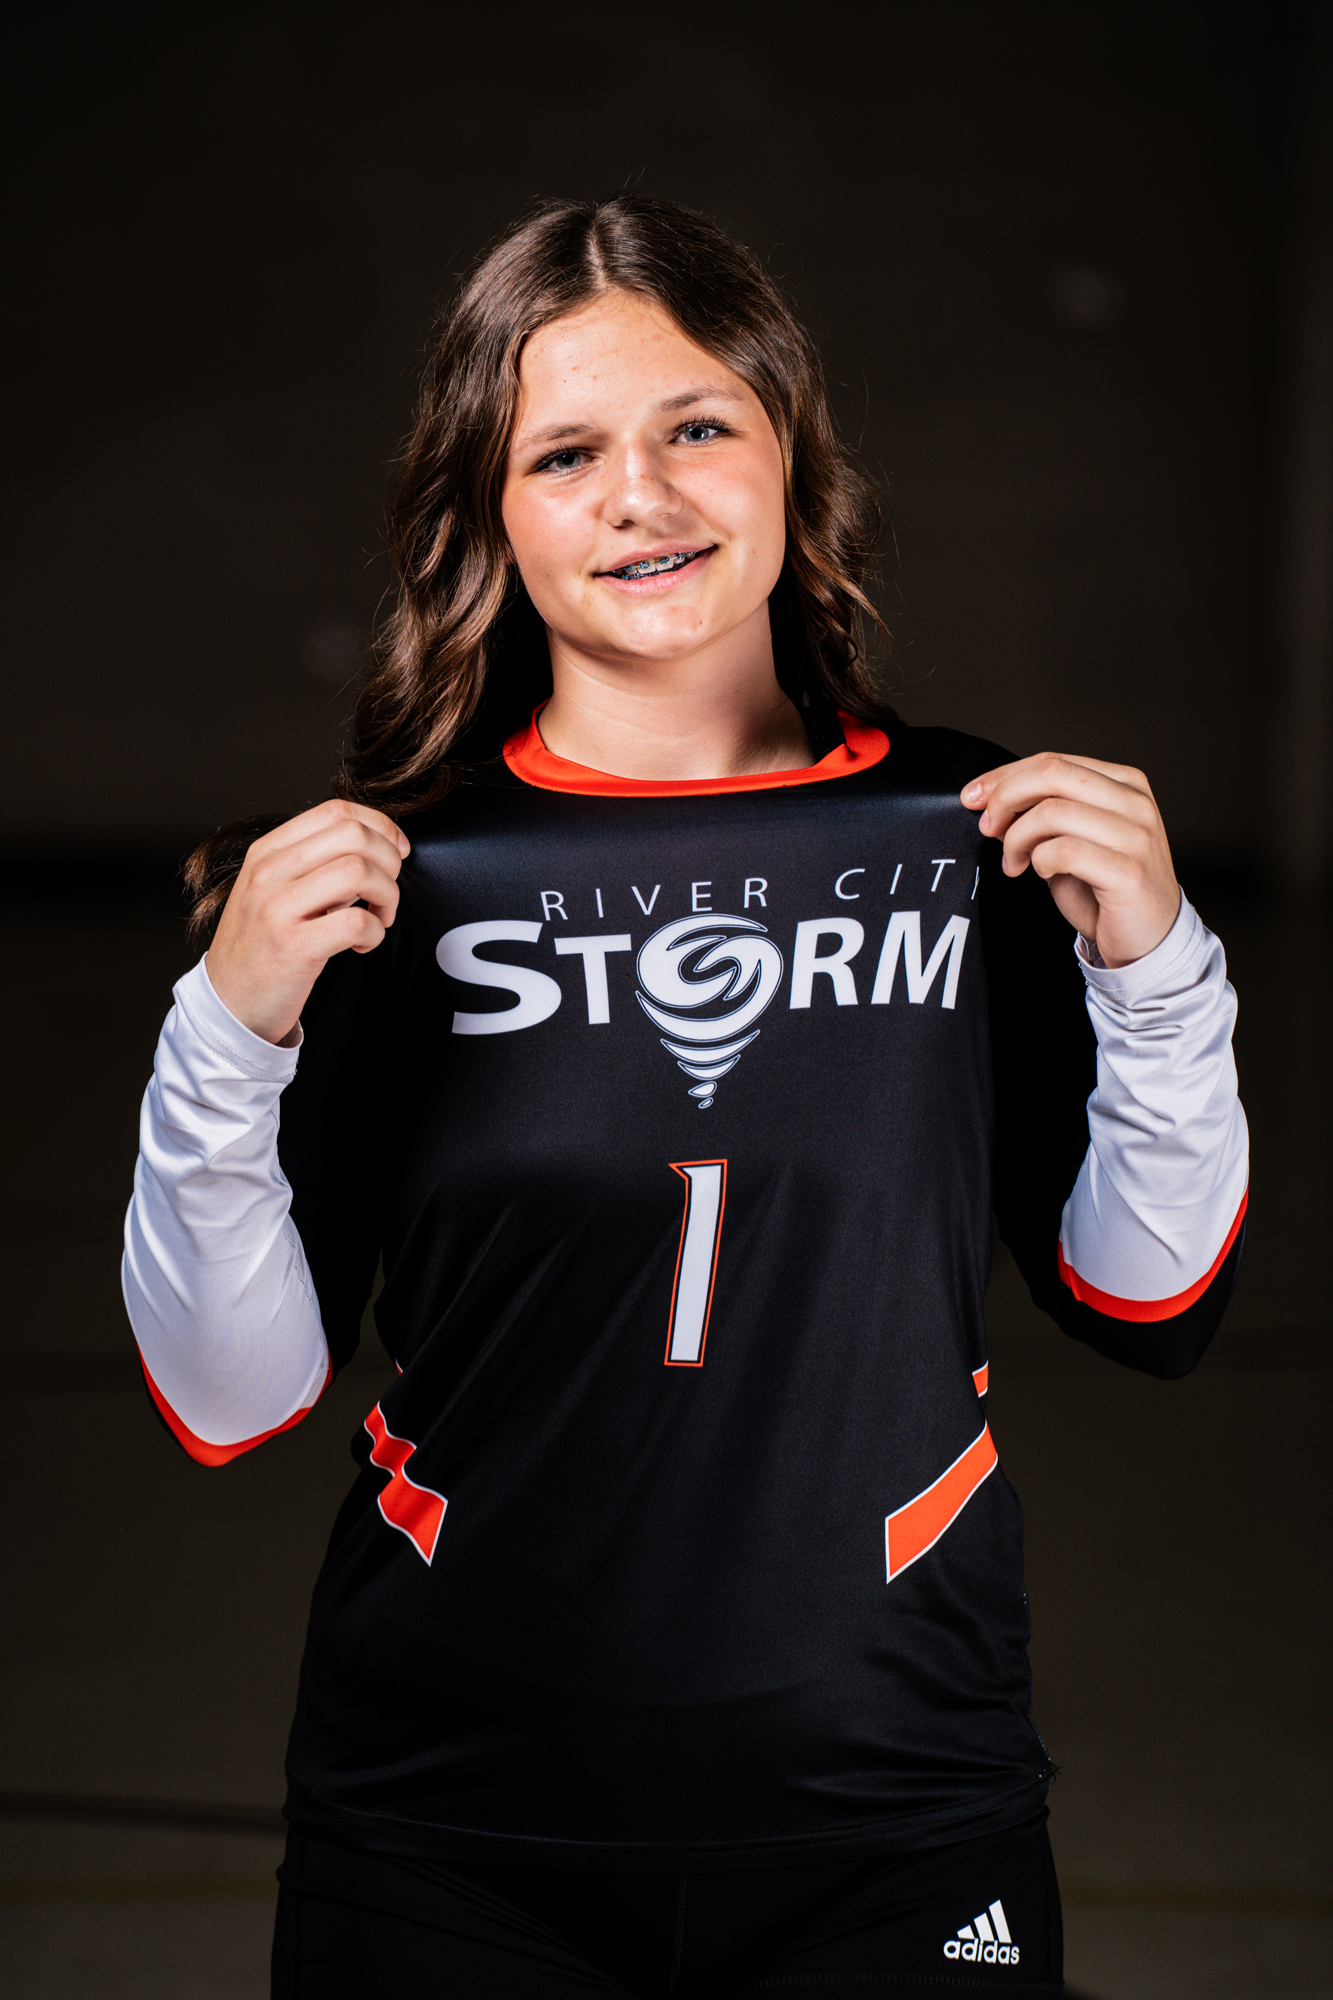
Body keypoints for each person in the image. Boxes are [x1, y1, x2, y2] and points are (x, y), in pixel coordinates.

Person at [123, 196, 1248, 1999]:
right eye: (563, 454)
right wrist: (226, 1038)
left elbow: (1150, 1302)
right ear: (488, 515)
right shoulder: (394, 884)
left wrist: (1159, 975)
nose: (639, 498)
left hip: (894, 1807)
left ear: (793, 452)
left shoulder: (974, 839)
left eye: (697, 426)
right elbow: (226, 1400)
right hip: (445, 1825)